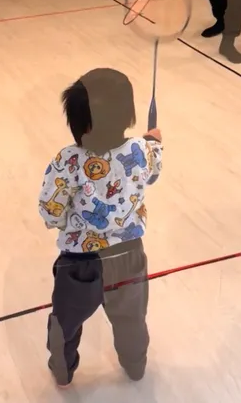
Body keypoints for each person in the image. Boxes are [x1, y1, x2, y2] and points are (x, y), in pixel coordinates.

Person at [38, 68, 163, 388]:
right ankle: (135, 365)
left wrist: (65, 224)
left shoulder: (68, 160)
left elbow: (50, 209)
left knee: (65, 322)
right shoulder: (140, 150)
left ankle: (63, 369)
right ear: (129, 116)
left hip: (80, 262)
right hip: (129, 255)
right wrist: (155, 142)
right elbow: (152, 173)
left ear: (81, 123)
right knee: (131, 319)